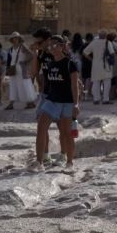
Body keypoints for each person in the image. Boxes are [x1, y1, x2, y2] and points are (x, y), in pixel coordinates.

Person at [32, 36, 80, 172]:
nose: (51, 47)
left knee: (66, 133)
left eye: (55, 45)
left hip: (67, 102)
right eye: (50, 45)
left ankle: (70, 163)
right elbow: (47, 83)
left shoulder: (70, 64)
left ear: (62, 46)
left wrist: (76, 104)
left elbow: (74, 85)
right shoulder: (51, 64)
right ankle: (39, 162)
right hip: (52, 101)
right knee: (41, 128)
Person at [83, 29, 117, 105]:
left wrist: (91, 59)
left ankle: (96, 99)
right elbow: (112, 53)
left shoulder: (94, 42)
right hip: (106, 65)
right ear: (106, 36)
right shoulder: (108, 43)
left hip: (96, 65)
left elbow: (85, 52)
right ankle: (105, 99)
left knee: (96, 82)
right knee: (107, 82)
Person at [5, 33, 37, 110]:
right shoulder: (11, 48)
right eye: (13, 38)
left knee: (24, 85)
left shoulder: (22, 46)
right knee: (13, 85)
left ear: (19, 38)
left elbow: (31, 55)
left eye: (16, 38)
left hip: (21, 69)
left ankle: (30, 102)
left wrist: (24, 62)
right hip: (13, 68)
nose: (15, 39)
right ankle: (11, 103)